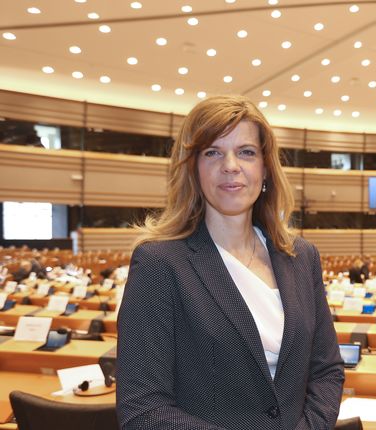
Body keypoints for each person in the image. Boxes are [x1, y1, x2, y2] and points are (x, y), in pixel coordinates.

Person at [117, 95, 344, 430]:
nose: (231, 165)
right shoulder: (160, 263)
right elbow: (142, 409)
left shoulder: (301, 257)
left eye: (246, 152)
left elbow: (326, 371)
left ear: (265, 168)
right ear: (193, 168)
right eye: (213, 152)